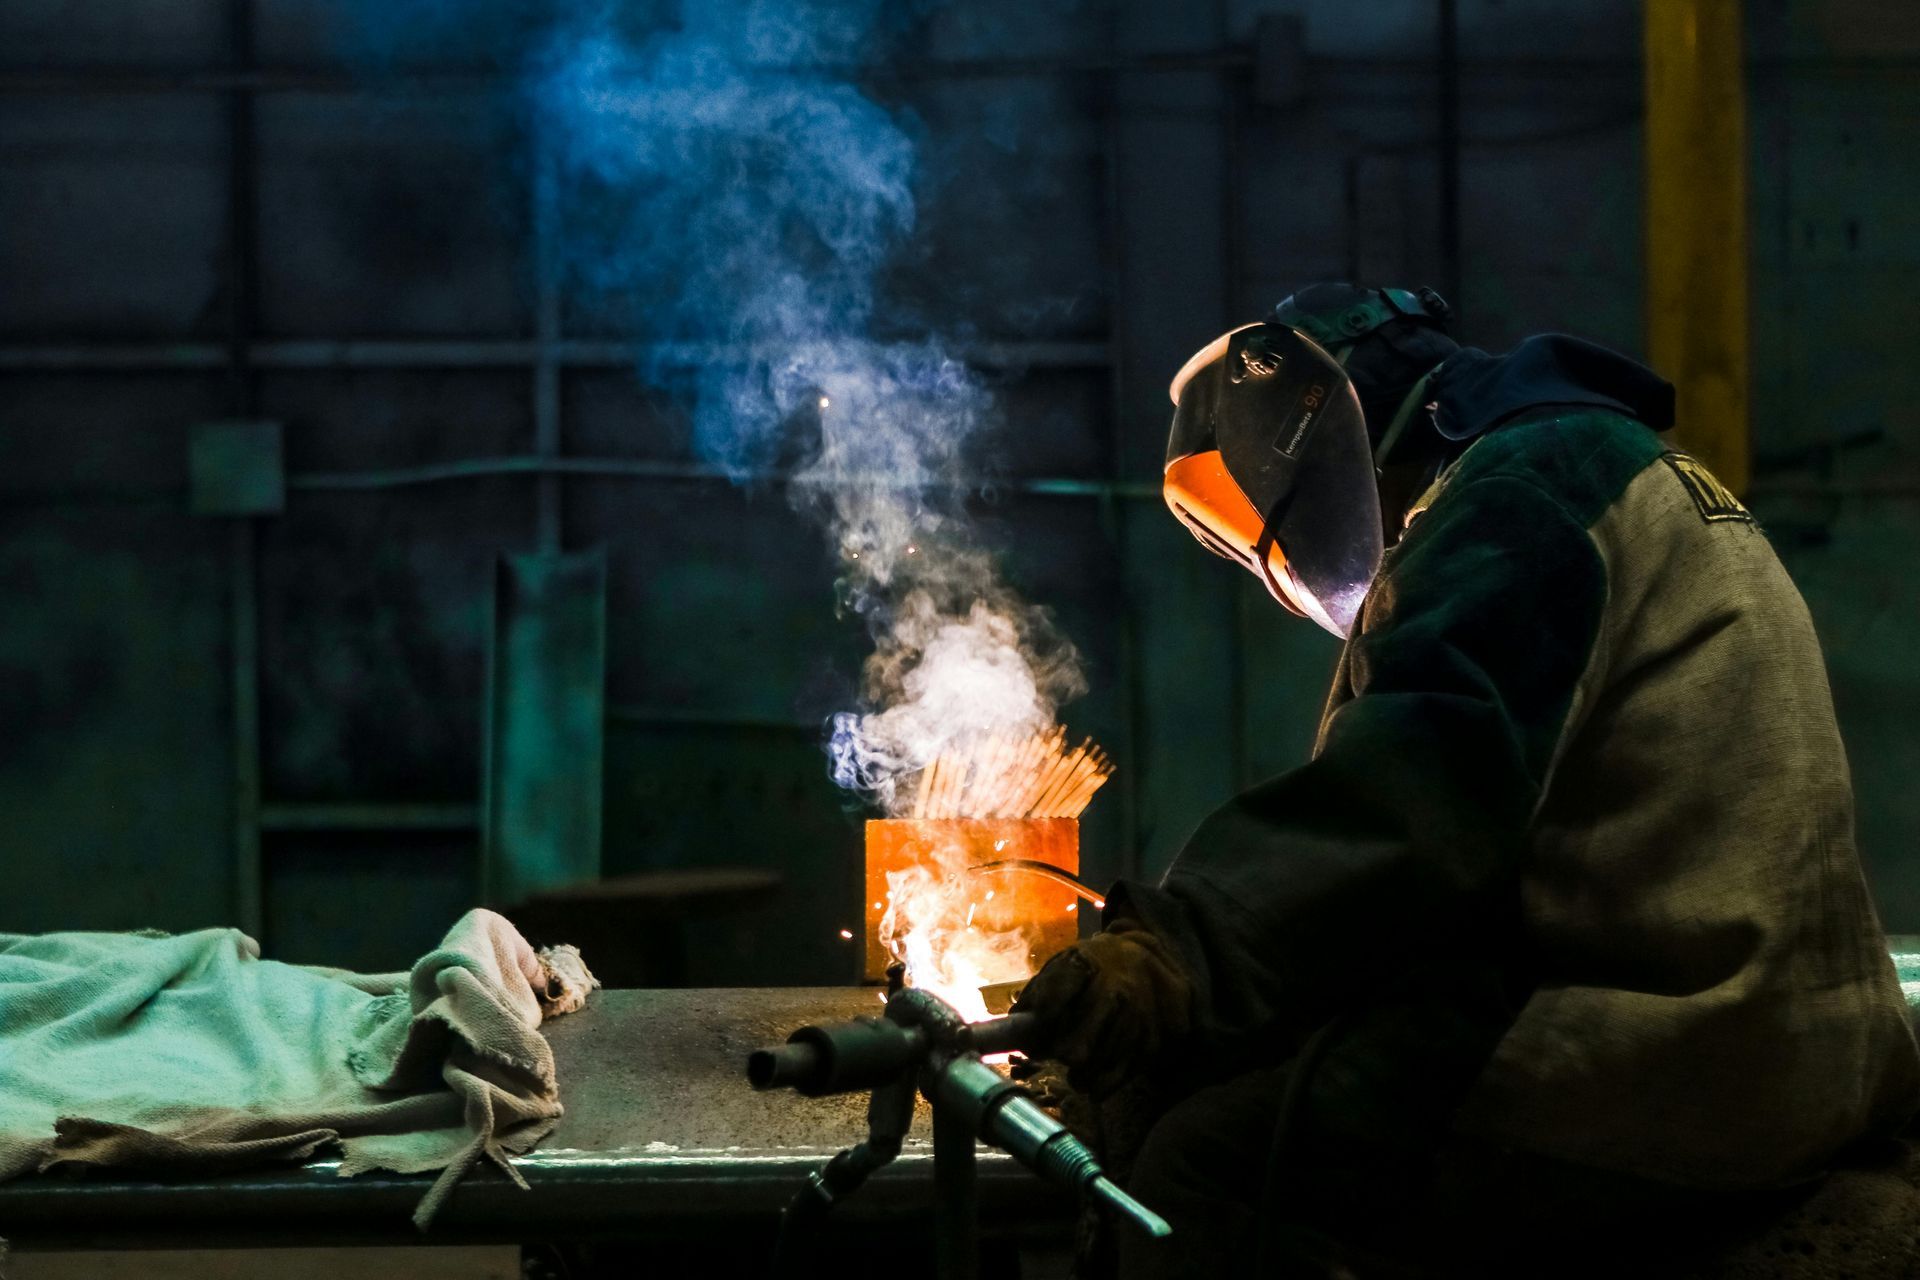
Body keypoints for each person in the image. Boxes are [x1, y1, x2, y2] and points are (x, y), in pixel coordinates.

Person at [1014, 284, 1920, 1277]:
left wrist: (1179, 954)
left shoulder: (1518, 494)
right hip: (1786, 1027)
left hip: (1681, 1044)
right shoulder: (1591, 464)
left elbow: (1413, 801)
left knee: (1208, 1164)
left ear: (1334, 422)